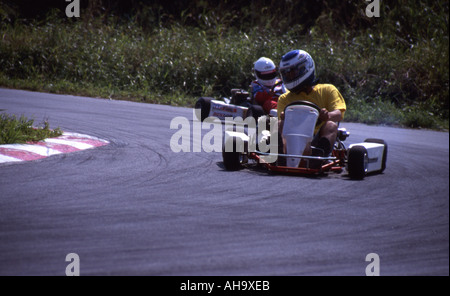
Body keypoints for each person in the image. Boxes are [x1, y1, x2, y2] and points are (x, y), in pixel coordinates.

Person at [277, 49, 346, 157]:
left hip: (316, 138)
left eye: (292, 73)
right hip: (291, 139)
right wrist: (284, 117)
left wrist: (327, 116)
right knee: (278, 124)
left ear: (305, 68)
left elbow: (338, 114)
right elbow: (282, 123)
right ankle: (279, 154)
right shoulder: (284, 98)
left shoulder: (328, 90)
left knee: (331, 125)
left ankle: (319, 156)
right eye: (286, 75)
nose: (289, 77)